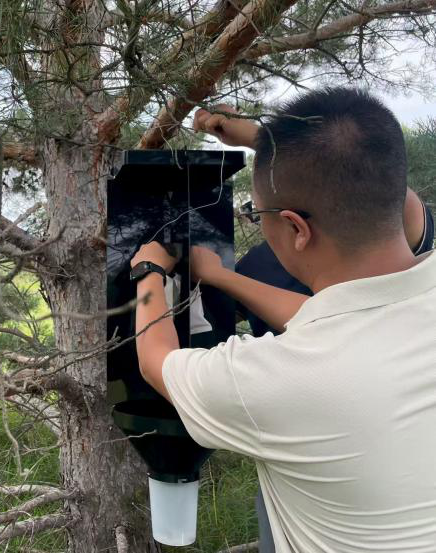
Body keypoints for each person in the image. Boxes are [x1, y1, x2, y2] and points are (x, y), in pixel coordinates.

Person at [130, 87, 436, 552]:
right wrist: (266, 142)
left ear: (296, 228)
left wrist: (149, 271)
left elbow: (157, 362)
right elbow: (331, 321)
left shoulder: (278, 379)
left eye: (257, 214)